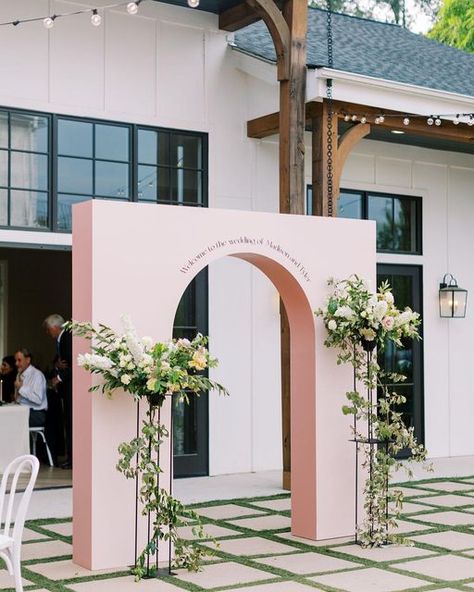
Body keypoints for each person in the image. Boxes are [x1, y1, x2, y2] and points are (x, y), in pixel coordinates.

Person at [43, 314, 72, 469]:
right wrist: (56, 366)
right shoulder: (62, 338)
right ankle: (70, 457)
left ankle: (72, 458)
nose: (48, 334)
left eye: (48, 330)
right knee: (67, 422)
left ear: (54, 327)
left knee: (70, 423)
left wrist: (58, 378)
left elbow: (72, 364)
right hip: (64, 389)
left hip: (69, 387)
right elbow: (58, 361)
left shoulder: (67, 337)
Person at [14, 348, 48, 427]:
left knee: (9, 420)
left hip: (36, 414)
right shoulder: (19, 374)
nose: (16, 363)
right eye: (15, 360)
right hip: (23, 410)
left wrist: (21, 388)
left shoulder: (37, 375)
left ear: (28, 360)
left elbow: (38, 399)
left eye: (19, 360)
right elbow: (20, 399)